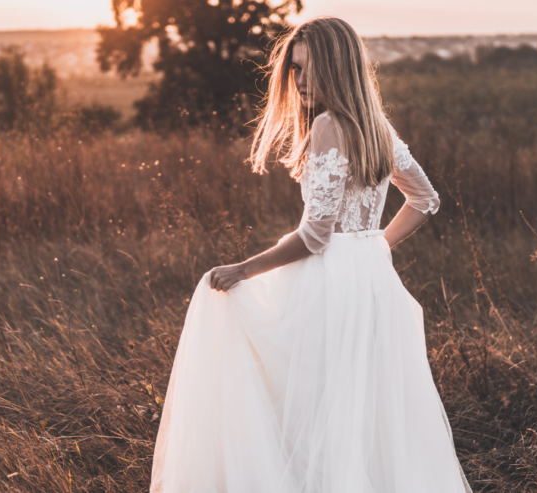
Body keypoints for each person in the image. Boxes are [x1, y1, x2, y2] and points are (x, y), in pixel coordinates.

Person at [149, 16, 473, 493]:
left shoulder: (327, 126)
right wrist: (371, 248)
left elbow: (316, 236)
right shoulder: (377, 126)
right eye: (294, 70)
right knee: (364, 408)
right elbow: (426, 200)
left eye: (307, 69)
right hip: (370, 280)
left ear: (337, 67)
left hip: (329, 283)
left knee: (306, 405)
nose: (298, 82)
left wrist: (244, 268)